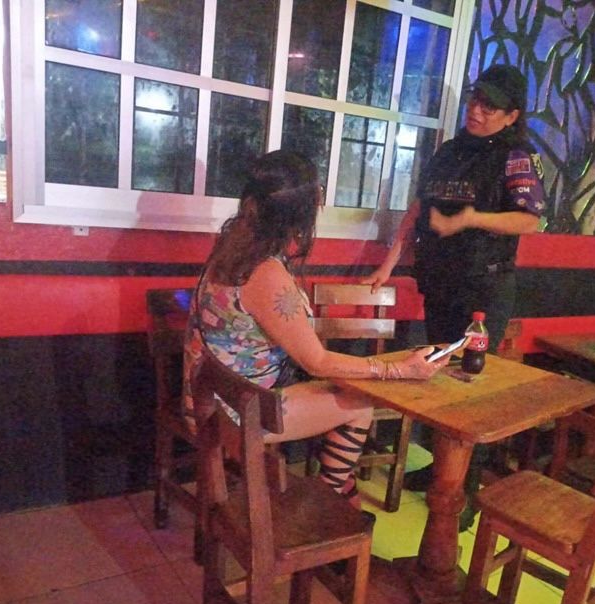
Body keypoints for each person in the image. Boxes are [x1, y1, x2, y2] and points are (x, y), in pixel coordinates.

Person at [183, 150, 448, 508]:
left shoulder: (232, 245)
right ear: (301, 213)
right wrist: (400, 369)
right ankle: (330, 498)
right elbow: (317, 362)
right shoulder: (265, 273)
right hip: (235, 413)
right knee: (360, 405)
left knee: (342, 393)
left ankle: (340, 485)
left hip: (206, 399)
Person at [362, 64, 546, 528]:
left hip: (484, 288)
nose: (477, 111)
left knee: (472, 385)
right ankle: (439, 472)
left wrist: (470, 219)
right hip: (441, 282)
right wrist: (389, 263)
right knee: (438, 380)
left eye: (490, 107)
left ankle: (464, 488)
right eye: (475, 100)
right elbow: (418, 209)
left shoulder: (516, 156)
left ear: (512, 115)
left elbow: (530, 220)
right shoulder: (449, 151)